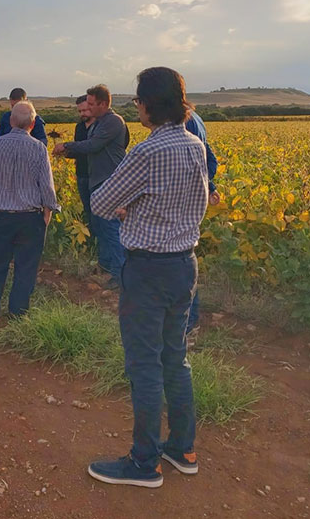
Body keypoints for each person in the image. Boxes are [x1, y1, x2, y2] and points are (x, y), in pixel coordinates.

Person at [86, 67, 209, 488]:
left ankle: (144, 463)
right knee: (176, 355)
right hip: (184, 264)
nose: (136, 107)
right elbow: (198, 201)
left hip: (148, 268)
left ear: (149, 104)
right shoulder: (195, 144)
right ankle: (182, 448)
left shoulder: (148, 151)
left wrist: (129, 207)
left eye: (137, 101)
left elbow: (102, 202)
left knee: (144, 363)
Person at [0, 101, 59, 327]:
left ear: (11, 121)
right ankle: (17, 315)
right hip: (31, 218)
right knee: (26, 268)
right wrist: (47, 214)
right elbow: (47, 187)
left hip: (2, 216)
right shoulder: (38, 148)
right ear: (33, 124)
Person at [53, 84, 128, 285]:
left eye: (92, 104)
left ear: (103, 104)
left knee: (111, 228)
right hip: (99, 180)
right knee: (100, 226)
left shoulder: (112, 121)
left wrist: (66, 146)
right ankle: (105, 266)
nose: (89, 107)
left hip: (110, 181)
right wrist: (68, 152)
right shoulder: (101, 122)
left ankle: (120, 275)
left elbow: (93, 145)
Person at [184, 108, 221, 335]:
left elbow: (201, 161)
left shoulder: (185, 123)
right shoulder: (195, 118)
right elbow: (208, 159)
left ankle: (188, 323)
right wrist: (211, 186)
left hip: (185, 198)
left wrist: (209, 186)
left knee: (181, 261)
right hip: (194, 195)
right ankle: (188, 321)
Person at [73, 95, 94, 224]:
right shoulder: (79, 127)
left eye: (85, 110)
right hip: (82, 174)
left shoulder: (102, 126)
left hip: (98, 175)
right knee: (87, 209)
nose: (82, 114)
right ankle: (92, 239)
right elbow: (78, 150)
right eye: (80, 111)